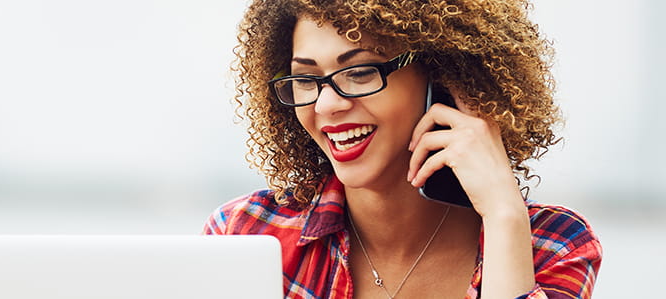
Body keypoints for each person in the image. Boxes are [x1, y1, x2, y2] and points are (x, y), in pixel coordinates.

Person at [203, 1, 602, 298]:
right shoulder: (246, 234)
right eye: (306, 79)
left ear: (444, 76)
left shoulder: (552, 245)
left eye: (360, 72)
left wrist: (503, 215)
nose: (325, 105)